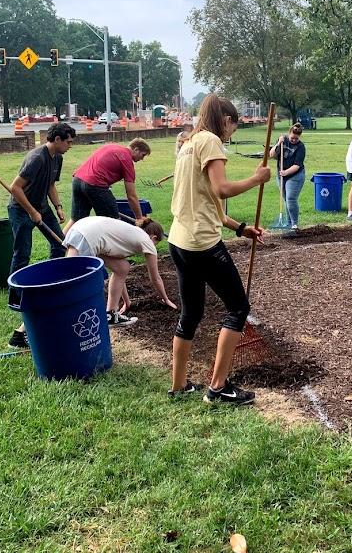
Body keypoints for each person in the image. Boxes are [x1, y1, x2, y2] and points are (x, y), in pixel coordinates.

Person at [167, 94, 270, 405]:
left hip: (179, 241)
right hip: (202, 244)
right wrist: (256, 178)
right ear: (226, 121)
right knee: (238, 308)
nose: (230, 135)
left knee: (192, 313)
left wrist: (240, 228)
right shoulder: (211, 141)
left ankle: (179, 385)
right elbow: (221, 190)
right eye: (232, 128)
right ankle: (218, 387)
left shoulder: (188, 145)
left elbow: (206, 203)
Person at [7, 122, 76, 348]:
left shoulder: (58, 158)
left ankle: (52, 281)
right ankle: (17, 296)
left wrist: (57, 206)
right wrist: (32, 211)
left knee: (60, 245)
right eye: (68, 141)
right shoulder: (37, 158)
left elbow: (50, 185)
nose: (70, 145)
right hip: (21, 208)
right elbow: (15, 188)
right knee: (22, 253)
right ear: (57, 139)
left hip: (42, 207)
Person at [63, 217, 176, 327]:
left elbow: (121, 273)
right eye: (157, 243)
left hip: (79, 228)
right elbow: (155, 278)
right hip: (88, 236)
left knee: (122, 268)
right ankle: (67, 319)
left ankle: (111, 314)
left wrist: (127, 302)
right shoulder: (146, 241)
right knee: (75, 282)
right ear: (154, 237)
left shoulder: (130, 235)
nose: (154, 247)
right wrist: (165, 299)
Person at [64, 137, 151, 231]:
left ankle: (58, 244)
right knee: (113, 222)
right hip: (95, 184)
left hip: (78, 179)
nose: (142, 159)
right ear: (136, 149)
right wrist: (139, 217)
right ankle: (108, 245)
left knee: (76, 219)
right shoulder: (127, 160)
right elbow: (131, 196)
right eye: (143, 155)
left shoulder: (112, 146)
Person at [269, 123, 306, 229]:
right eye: (292, 138)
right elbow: (272, 155)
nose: (294, 140)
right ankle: (288, 223)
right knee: (286, 199)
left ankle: (294, 224)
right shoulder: (282, 140)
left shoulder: (301, 147)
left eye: (296, 138)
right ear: (289, 134)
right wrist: (278, 144)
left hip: (295, 175)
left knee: (291, 198)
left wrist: (286, 172)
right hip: (281, 175)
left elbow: (297, 165)